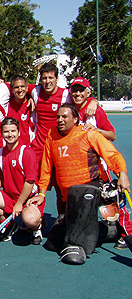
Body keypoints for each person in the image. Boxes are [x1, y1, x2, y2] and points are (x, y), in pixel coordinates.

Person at [33, 104, 130, 263]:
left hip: (90, 190)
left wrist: (122, 174)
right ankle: (109, 230)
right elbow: (46, 166)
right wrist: (42, 193)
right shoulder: (51, 135)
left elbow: (112, 155)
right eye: (58, 117)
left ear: (76, 119)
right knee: (53, 241)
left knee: (75, 235)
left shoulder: (88, 133)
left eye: (64, 117)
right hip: (69, 198)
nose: (60, 120)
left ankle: (79, 244)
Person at [0, 117, 43, 244]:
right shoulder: (0, 152)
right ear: (2, 134)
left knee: (30, 220)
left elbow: (30, 182)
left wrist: (19, 203)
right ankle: (9, 225)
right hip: (10, 196)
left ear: (19, 132)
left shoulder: (27, 152)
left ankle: (37, 229)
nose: (10, 135)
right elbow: (1, 175)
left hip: (29, 197)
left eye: (13, 131)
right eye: (6, 132)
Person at [6, 75, 34, 146]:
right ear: (12, 90)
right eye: (16, 87)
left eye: (22, 86)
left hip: (27, 147)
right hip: (10, 147)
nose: (20, 89)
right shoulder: (6, 104)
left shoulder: (32, 105)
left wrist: (30, 97)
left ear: (27, 88)